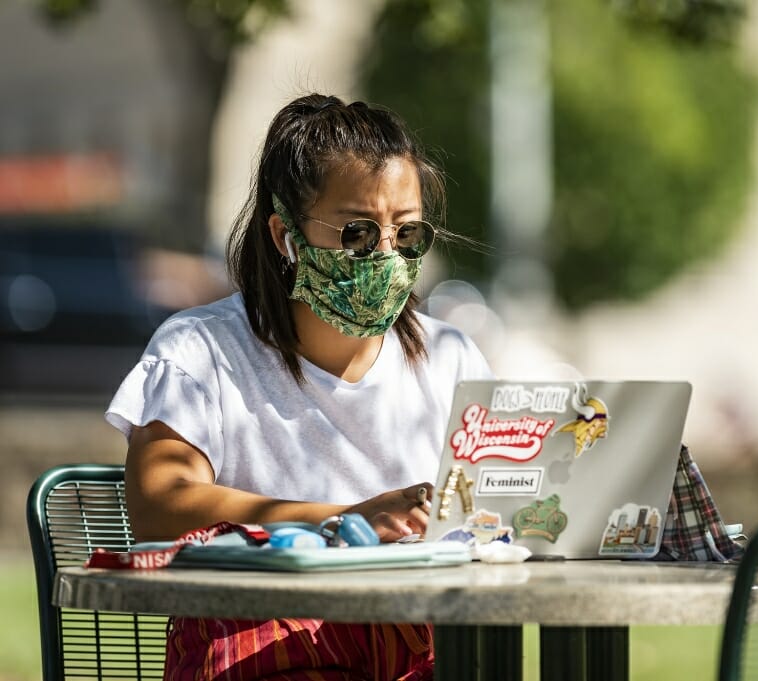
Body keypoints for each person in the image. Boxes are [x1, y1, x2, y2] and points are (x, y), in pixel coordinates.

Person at [105, 93, 492, 680]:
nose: (386, 256)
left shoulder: (450, 356)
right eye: (359, 233)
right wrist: (348, 518)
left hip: (420, 644)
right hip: (263, 647)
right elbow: (159, 503)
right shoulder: (201, 350)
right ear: (286, 236)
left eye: (408, 235)